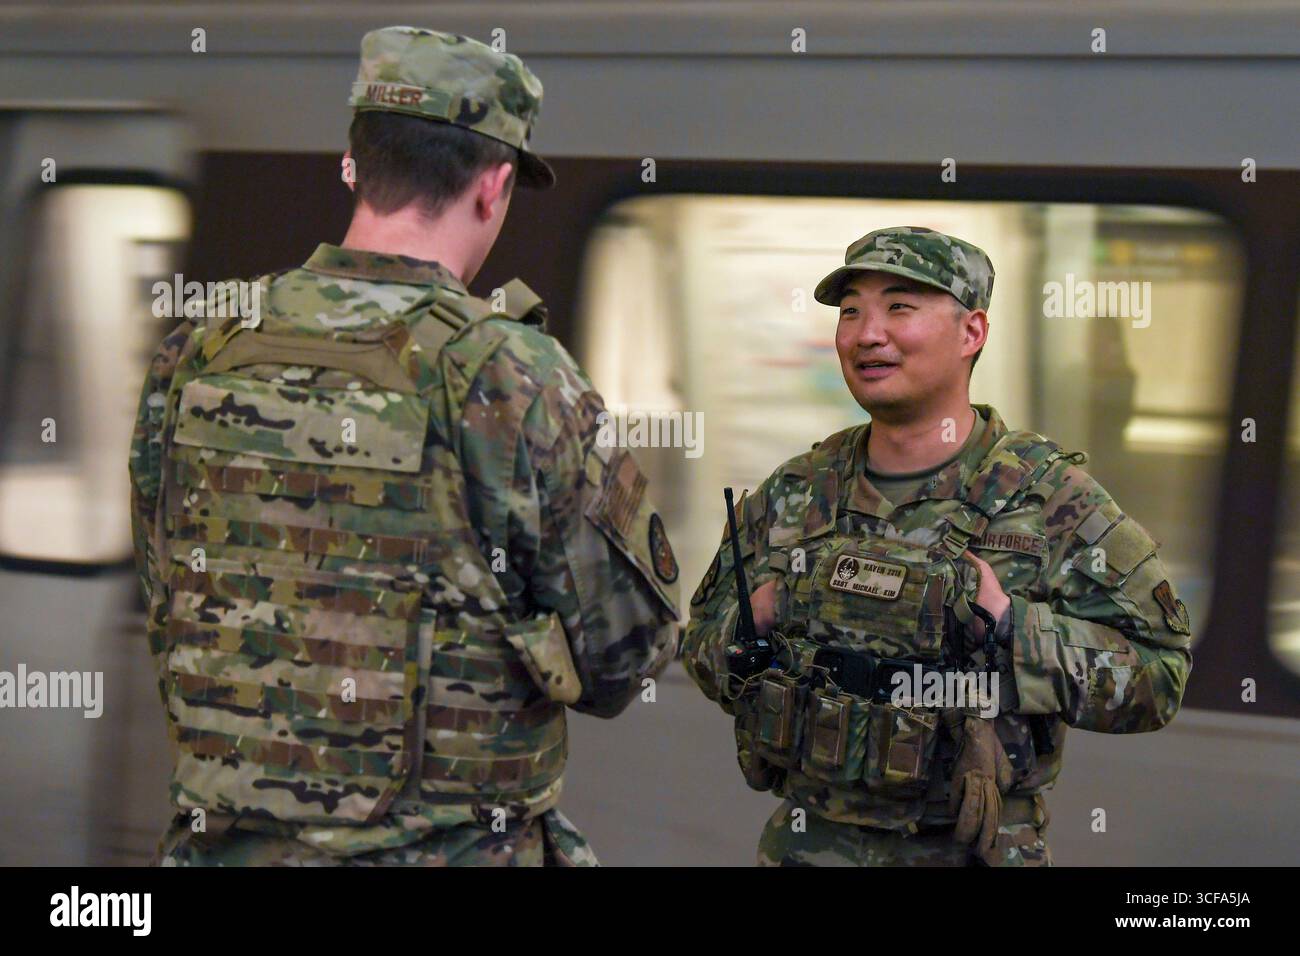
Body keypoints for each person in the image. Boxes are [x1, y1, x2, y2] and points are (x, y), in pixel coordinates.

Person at [128, 26, 680, 866]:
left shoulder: (197, 352)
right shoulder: (514, 375)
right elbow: (624, 656)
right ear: (494, 187)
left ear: (355, 162)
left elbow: (166, 581)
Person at [680, 226, 1192, 866]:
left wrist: (1013, 629)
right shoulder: (797, 492)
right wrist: (748, 625)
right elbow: (698, 645)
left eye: (899, 307)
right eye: (850, 312)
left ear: (972, 333)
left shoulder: (1052, 501)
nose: (868, 333)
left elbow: (1160, 675)